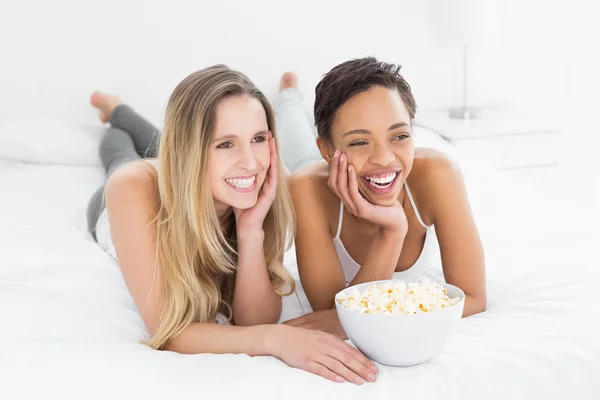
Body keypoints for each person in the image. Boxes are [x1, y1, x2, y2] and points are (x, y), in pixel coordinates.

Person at [85, 65, 378, 385]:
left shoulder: (269, 179)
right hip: (127, 203)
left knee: (161, 142)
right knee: (122, 157)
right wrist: (275, 340)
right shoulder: (132, 187)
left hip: (189, 171)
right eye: (225, 143)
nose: (251, 162)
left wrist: (251, 231)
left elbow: (256, 319)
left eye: (257, 139)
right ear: (192, 151)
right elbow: (169, 331)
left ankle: (124, 113)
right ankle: (115, 112)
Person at [281, 57, 487, 338]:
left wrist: (393, 227)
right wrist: (393, 231)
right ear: (328, 151)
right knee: (294, 137)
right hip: (311, 168)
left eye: (399, 136)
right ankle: (289, 95)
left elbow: (473, 297)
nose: (384, 159)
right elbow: (330, 310)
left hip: (347, 169)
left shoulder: (439, 173)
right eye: (359, 142)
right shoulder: (304, 187)